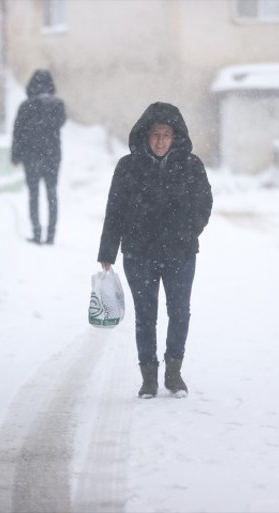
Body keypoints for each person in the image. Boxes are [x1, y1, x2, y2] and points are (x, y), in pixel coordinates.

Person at [97, 102, 213, 399]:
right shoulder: (128, 167)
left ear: (175, 137)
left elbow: (204, 204)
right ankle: (148, 378)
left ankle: (174, 374)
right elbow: (115, 210)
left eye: (166, 134)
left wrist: (187, 232)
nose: (160, 141)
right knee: (145, 315)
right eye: (155, 134)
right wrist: (108, 251)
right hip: (139, 253)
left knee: (180, 311)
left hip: (180, 253)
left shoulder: (191, 165)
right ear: (145, 136)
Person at [11, 69, 66, 245]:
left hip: (31, 156)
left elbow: (18, 133)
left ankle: (36, 233)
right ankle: (51, 235)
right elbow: (61, 122)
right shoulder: (58, 105)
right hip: (52, 155)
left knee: (33, 194)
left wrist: (15, 155)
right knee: (52, 193)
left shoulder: (25, 106)